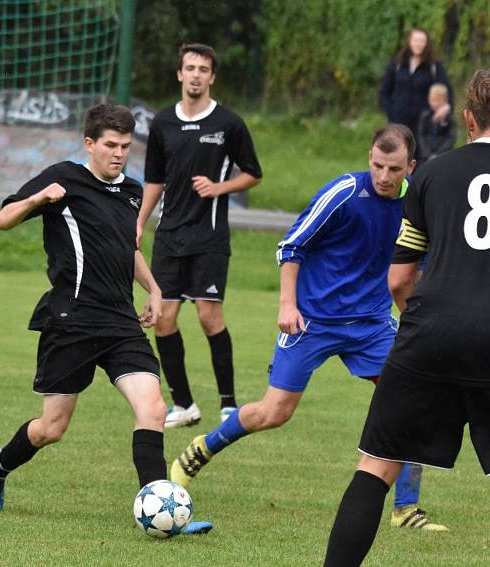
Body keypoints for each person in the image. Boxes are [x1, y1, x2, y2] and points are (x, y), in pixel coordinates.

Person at [170, 124, 447, 531]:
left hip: (370, 323)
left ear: (412, 166)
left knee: (409, 398)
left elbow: (416, 268)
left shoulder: (418, 202)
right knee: (274, 412)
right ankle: (201, 449)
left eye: (394, 168)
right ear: (368, 158)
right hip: (311, 320)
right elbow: (291, 246)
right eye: (377, 166)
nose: (384, 177)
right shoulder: (345, 194)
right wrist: (287, 304)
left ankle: (406, 509)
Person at [0, 104, 210, 535]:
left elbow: (129, 247)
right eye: (110, 146)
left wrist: (155, 290)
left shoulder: (134, 191)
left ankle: (159, 507)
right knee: (52, 427)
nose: (118, 154)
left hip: (121, 321)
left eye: (125, 146)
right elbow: (4, 220)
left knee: (154, 408)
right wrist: (36, 199)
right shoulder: (63, 178)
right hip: (72, 319)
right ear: (90, 144)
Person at [324, 69, 490, 567]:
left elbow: (399, 279)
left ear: (466, 118)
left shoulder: (432, 174)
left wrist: (425, 323)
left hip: (428, 332)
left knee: (376, 466)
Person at [137, 43, 262, 428]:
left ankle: (228, 404)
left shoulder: (228, 124)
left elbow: (253, 173)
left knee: (210, 318)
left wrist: (218, 188)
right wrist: (139, 222)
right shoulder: (161, 123)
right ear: (179, 74)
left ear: (212, 77)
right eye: (189, 67)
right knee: (163, 319)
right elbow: (154, 180)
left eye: (203, 69)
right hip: (170, 237)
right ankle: (184, 405)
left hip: (208, 238)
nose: (195, 74)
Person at [380, 27, 453, 159]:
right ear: (409, 41)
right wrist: (391, 111)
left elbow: (447, 90)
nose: (418, 44)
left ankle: (418, 180)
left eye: (422, 41)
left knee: (421, 159)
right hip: (399, 121)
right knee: (398, 155)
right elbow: (384, 91)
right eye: (415, 40)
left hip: (423, 124)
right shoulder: (397, 64)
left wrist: (445, 109)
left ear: (427, 43)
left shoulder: (434, 66)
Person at [417, 83, 457, 161]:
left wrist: (439, 153)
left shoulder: (449, 118)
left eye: (438, 101)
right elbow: (422, 135)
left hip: (444, 155)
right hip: (427, 155)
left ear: (445, 100)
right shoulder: (425, 116)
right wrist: (426, 153)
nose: (435, 103)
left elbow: (451, 137)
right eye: (432, 100)